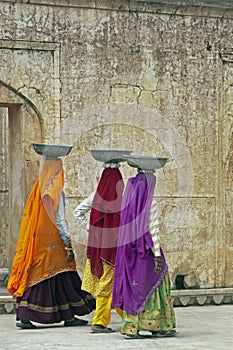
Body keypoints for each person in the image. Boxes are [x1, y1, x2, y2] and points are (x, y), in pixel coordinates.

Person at [8, 157, 95, 329]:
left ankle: (62, 315)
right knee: (63, 273)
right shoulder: (56, 192)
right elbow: (60, 220)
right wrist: (67, 242)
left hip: (37, 240)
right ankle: (63, 314)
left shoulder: (38, 189)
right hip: (54, 241)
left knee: (43, 275)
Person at [112, 168, 177, 339]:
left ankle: (131, 328)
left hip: (130, 253)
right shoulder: (151, 204)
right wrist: (157, 255)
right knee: (156, 283)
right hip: (147, 253)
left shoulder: (129, 202)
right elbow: (153, 231)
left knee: (135, 288)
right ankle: (158, 326)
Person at [73, 163, 124, 333]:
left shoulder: (95, 197)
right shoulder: (122, 198)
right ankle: (99, 322)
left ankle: (128, 318)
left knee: (113, 283)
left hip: (99, 246)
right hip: (114, 249)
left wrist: (92, 230)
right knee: (109, 283)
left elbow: (77, 212)